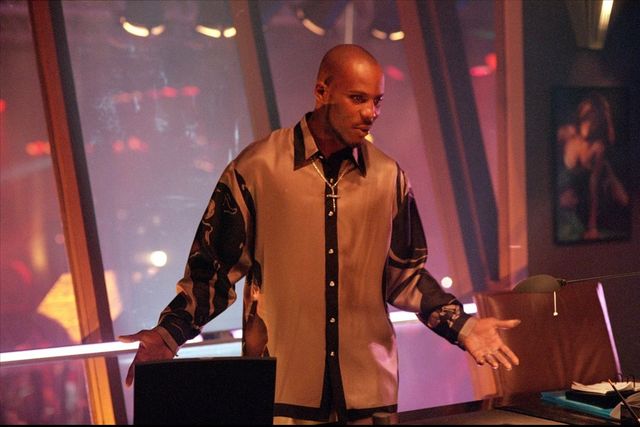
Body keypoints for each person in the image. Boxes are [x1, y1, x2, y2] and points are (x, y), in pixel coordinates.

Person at [119, 44, 520, 424]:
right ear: (321, 91)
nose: (371, 113)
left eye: (377, 101)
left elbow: (406, 277)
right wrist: (168, 334)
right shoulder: (258, 168)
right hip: (282, 392)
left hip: (369, 394)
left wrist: (463, 327)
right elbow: (213, 270)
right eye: (358, 98)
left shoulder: (389, 177)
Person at [557, 92, 629, 241]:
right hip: (557, 197)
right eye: (586, 117)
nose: (589, 123)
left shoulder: (597, 147)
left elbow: (593, 186)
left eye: (595, 119)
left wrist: (592, 226)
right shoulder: (566, 133)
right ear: (580, 116)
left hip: (579, 203)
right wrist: (558, 195)